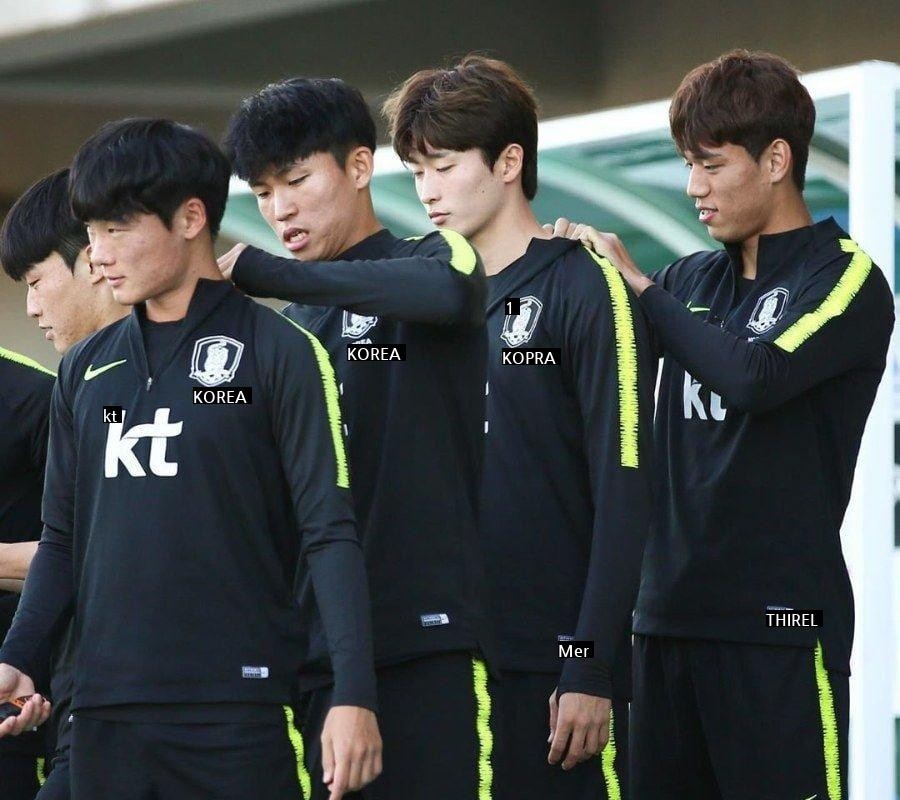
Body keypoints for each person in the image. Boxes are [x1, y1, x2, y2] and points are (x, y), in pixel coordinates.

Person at [0, 118, 381, 800]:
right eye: (92, 233)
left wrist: (354, 694)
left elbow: (329, 533)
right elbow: (62, 538)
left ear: (190, 218)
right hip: (105, 716)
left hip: (238, 713)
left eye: (117, 230)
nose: (99, 255)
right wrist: (19, 655)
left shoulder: (281, 351)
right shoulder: (86, 369)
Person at [552, 49, 894, 799]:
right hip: (661, 628)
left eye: (711, 165)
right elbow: (585, 388)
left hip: (779, 634)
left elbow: (755, 378)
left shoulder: (845, 278)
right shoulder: (687, 279)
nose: (693, 188)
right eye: (687, 165)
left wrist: (639, 288)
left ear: (775, 160)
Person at [383, 55, 655, 800]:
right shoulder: (424, 298)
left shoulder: (583, 285)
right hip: (440, 660)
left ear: (508, 162)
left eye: (443, 166)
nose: (427, 191)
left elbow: (625, 486)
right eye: (416, 172)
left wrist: (592, 663)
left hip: (550, 668)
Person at [219, 77, 493, 799]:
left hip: (427, 643)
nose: (279, 210)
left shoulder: (437, 259)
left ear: (361, 166)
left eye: (296, 181)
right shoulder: (288, 332)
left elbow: (453, 292)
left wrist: (271, 275)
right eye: (262, 192)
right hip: (315, 661)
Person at [0, 167, 130, 800]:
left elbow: (78, 548)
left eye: (35, 282)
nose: (31, 307)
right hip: (70, 692)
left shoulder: (36, 394)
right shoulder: (80, 381)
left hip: (181, 702)